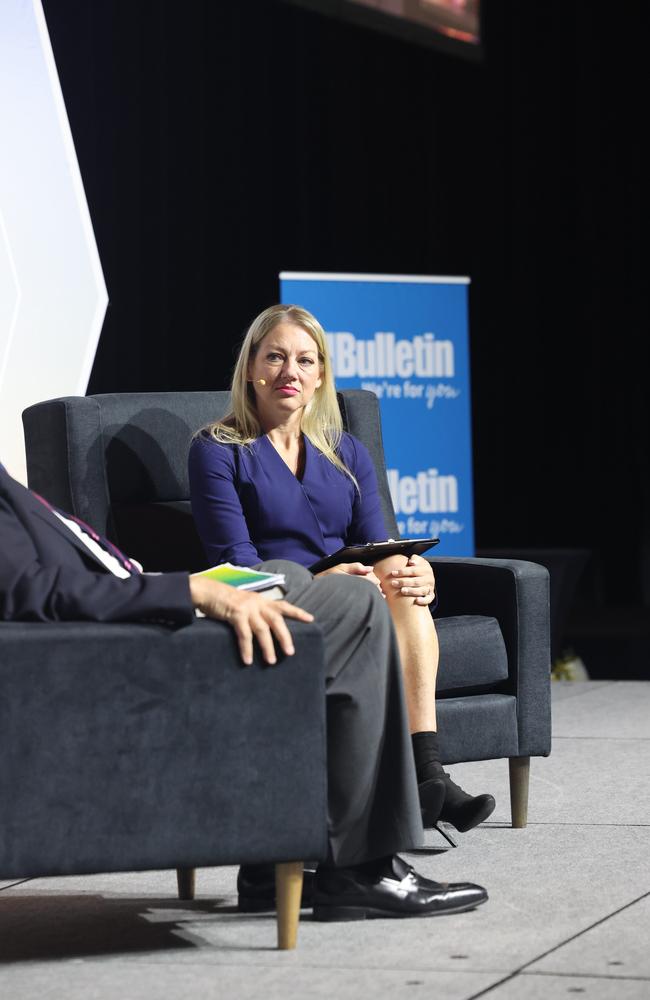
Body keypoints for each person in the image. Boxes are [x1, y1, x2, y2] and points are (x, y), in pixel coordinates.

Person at [0, 460, 487, 920]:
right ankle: (367, 867)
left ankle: (272, 861)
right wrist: (187, 590)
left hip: (135, 621)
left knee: (286, 575)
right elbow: (29, 593)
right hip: (126, 653)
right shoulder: (220, 450)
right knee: (354, 605)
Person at [189, 304, 496, 834]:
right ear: (250, 368)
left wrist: (415, 572)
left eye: (305, 361)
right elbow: (233, 564)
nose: (291, 372)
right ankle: (416, 785)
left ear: (321, 375)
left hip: (358, 593)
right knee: (353, 580)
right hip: (275, 595)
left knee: (400, 566)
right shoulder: (217, 450)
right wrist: (319, 584)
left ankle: (429, 772)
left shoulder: (345, 450)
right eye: (276, 357)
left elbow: (373, 546)